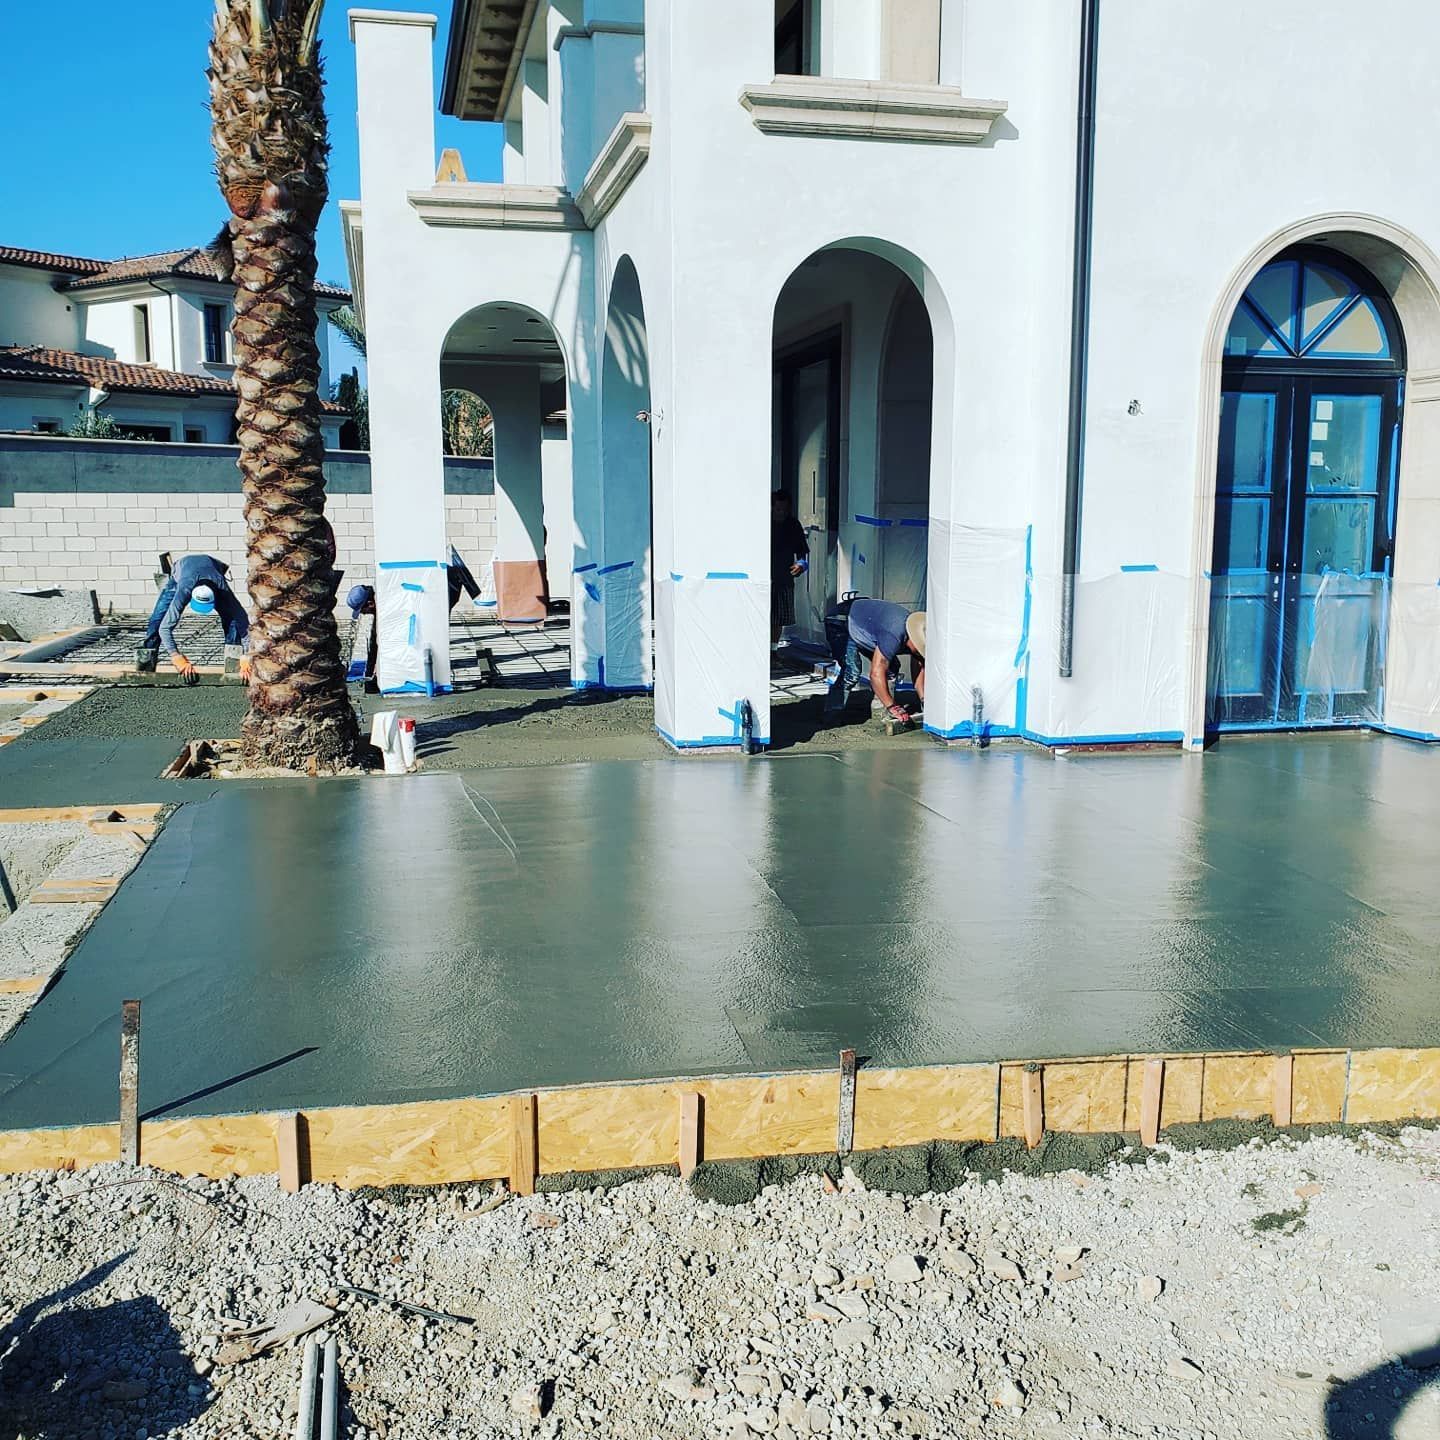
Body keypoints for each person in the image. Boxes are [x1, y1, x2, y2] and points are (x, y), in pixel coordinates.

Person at [142, 554, 249, 685]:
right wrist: (176, 657)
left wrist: (247, 658)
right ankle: (145, 668)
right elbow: (164, 628)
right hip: (181, 573)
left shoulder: (222, 588)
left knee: (232, 620)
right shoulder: (184, 589)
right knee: (157, 620)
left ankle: (234, 663)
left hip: (213, 572)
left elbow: (244, 623)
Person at [825, 598, 925, 726]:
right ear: (913, 639)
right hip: (841, 620)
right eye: (919, 649)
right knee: (851, 672)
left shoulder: (916, 632)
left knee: (892, 668)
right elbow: (876, 673)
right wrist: (893, 706)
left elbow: (919, 667)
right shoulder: (894, 634)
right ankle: (832, 714)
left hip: (866, 626)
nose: (919, 652)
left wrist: (923, 699)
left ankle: (880, 711)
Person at [770, 491, 809, 647]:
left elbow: (802, 553)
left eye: (785, 510)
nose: (782, 513)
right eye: (778, 509)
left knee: (778, 618)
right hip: (764, 577)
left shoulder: (793, 525)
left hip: (784, 578)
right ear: (772, 507)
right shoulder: (763, 523)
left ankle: (773, 650)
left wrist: (801, 564)